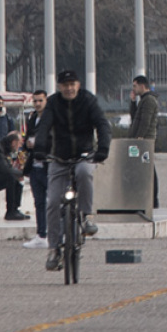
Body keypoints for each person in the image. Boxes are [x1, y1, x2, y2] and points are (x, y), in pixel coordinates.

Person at [34, 69, 112, 272]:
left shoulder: (88, 101)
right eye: (65, 85)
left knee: (85, 173)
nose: (69, 88)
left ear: (78, 85)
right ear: (59, 87)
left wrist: (103, 148)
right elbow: (43, 127)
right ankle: (53, 250)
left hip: (84, 154)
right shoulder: (53, 103)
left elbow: (102, 125)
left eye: (72, 84)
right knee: (51, 202)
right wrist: (40, 149)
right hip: (59, 157)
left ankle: (85, 217)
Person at [22, 90, 50, 248]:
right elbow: (28, 137)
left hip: (48, 165)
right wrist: (27, 143)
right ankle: (41, 234)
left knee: (53, 202)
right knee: (39, 202)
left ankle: (57, 233)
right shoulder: (33, 118)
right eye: (35, 101)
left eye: (40, 100)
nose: (38, 104)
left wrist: (37, 143)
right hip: (34, 166)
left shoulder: (50, 118)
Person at [129, 75, 160, 208]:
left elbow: (145, 121)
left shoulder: (149, 100)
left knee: (148, 169)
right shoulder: (143, 100)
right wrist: (132, 102)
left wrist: (140, 137)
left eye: (135, 86)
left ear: (142, 86)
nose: (133, 89)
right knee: (144, 168)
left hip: (145, 141)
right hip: (140, 140)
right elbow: (135, 117)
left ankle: (153, 199)